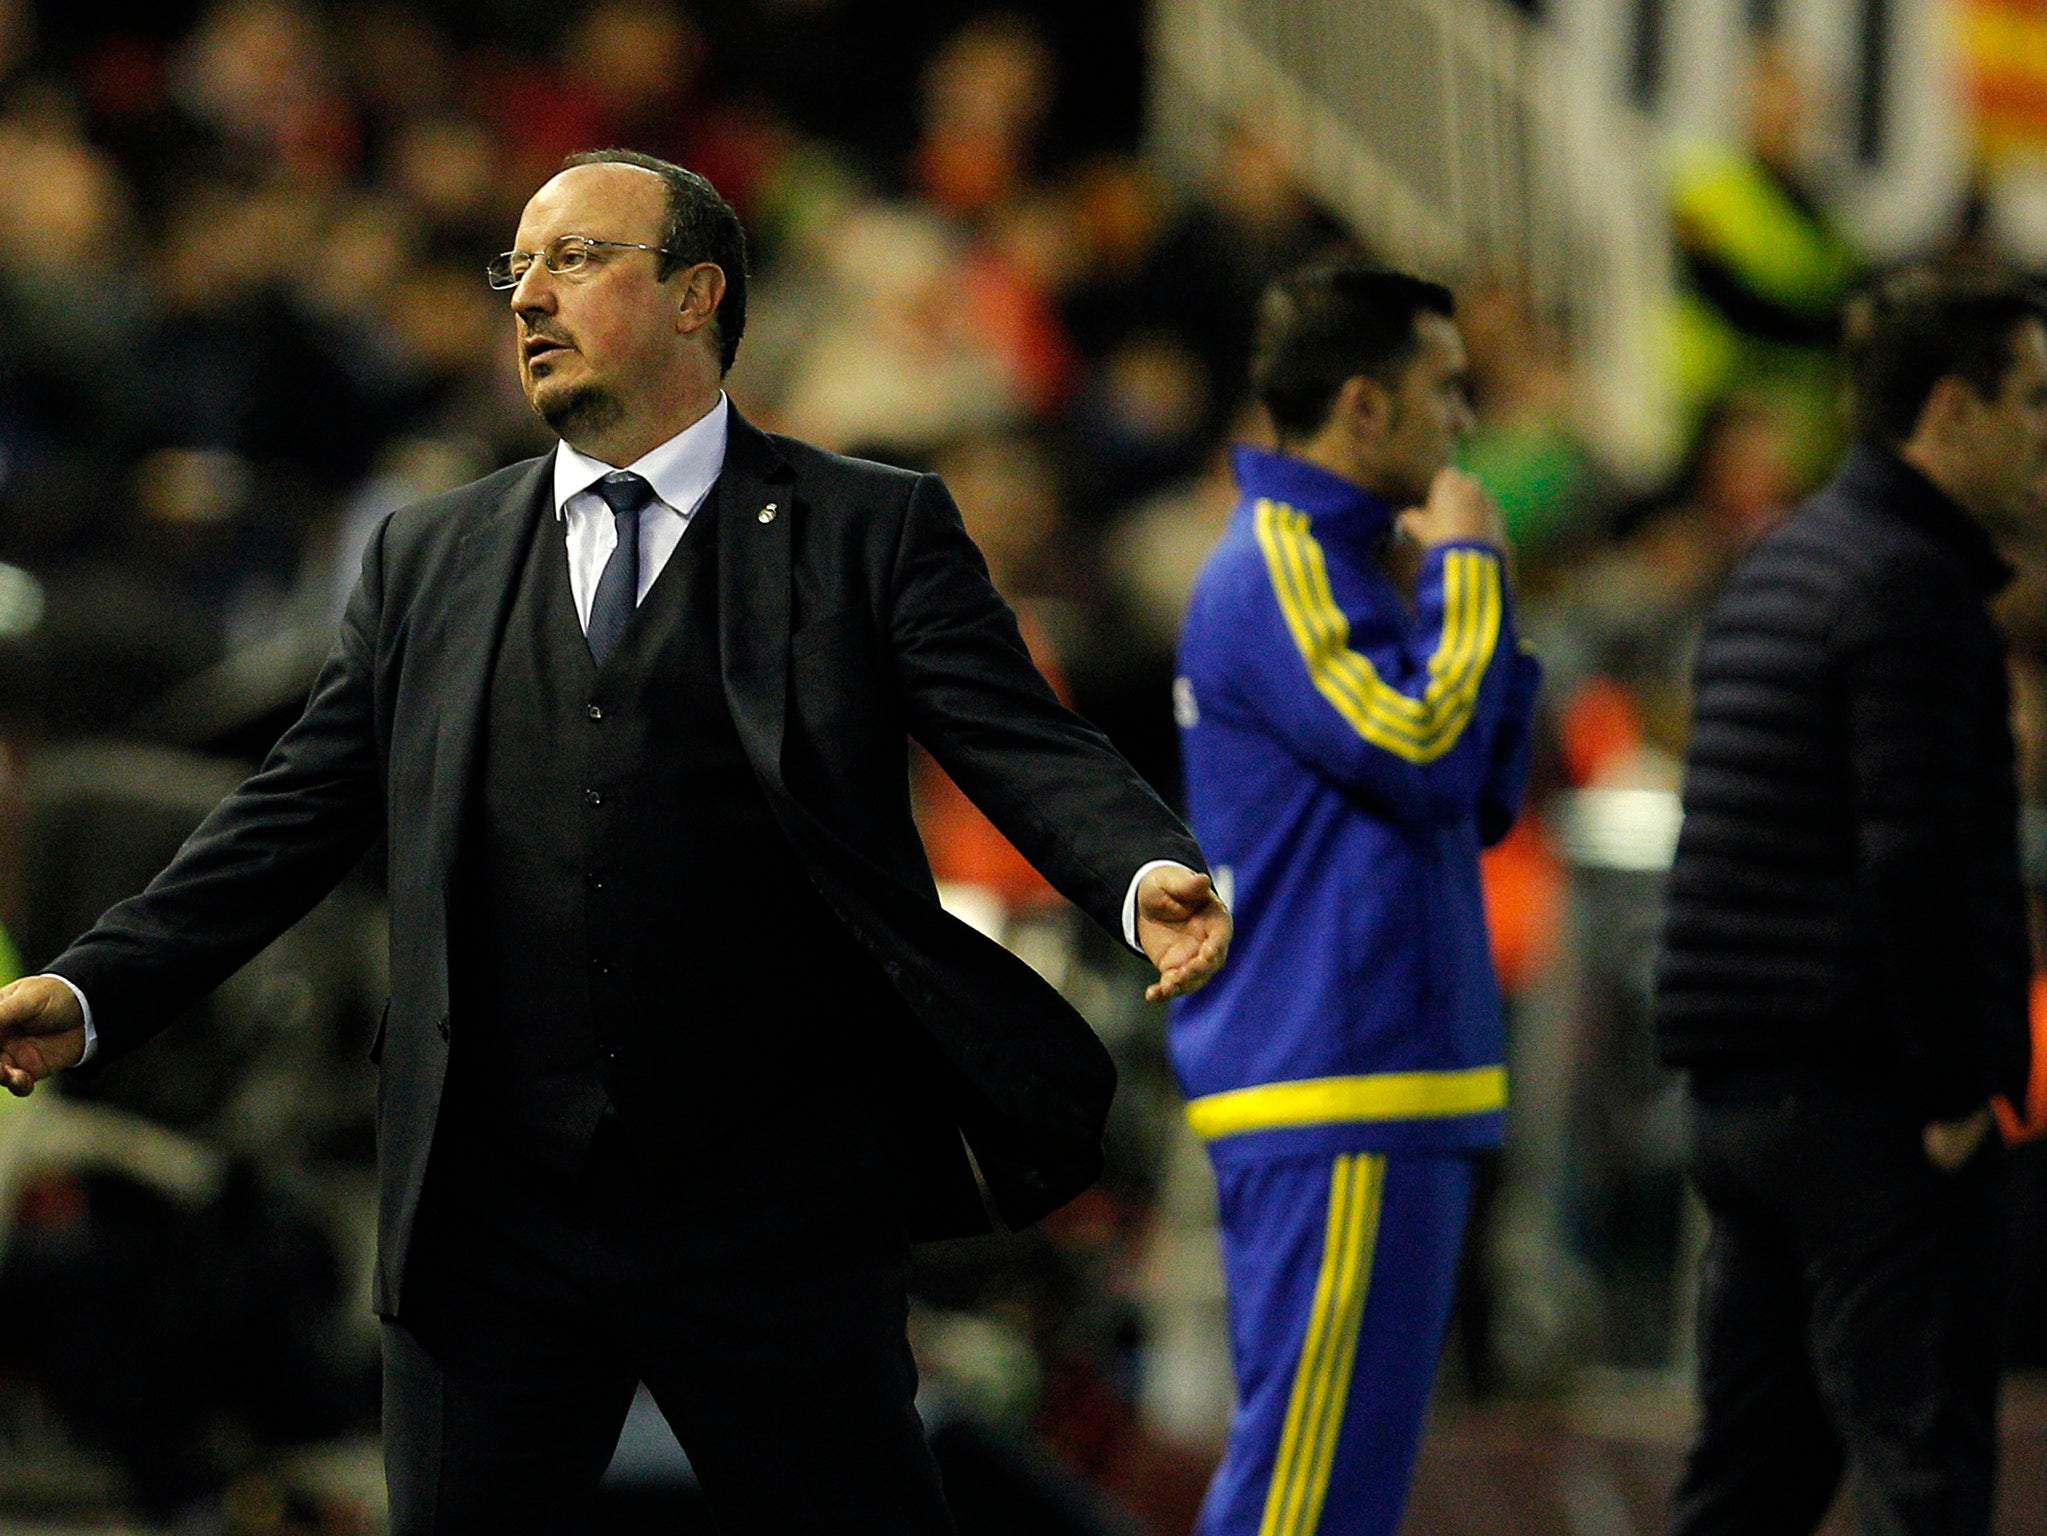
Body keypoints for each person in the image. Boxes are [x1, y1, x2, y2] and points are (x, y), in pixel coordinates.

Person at [0, 149, 1232, 1535]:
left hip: (773, 1213)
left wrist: (1140, 872)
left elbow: (1021, 743)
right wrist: (96, 987)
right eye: (515, 267)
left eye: (576, 259)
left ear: (698, 293)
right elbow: (285, 816)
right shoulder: (431, 556)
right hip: (490, 1220)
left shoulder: (867, 528)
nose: (528, 295)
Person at [1655, 268, 2047, 1535]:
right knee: (1920, 1476)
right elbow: (1914, 854)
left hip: (1742, 1096)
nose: (2046, 433)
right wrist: (1950, 1089)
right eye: (2031, 402)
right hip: (1868, 1105)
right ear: (1951, 411)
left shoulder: (1781, 566)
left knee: (1748, 1486)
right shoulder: (1910, 588)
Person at [1170, 261, 1540, 1536]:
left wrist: (1451, 585)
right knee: (1303, 1495)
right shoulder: (1277, 564)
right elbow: (1429, 747)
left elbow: (1482, 789)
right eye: (1445, 389)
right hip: (1335, 1075)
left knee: (1342, 1490)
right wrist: (1472, 578)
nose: (1466, 422)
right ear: (1364, 408)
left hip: (1388, 1074)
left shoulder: (1352, 559)